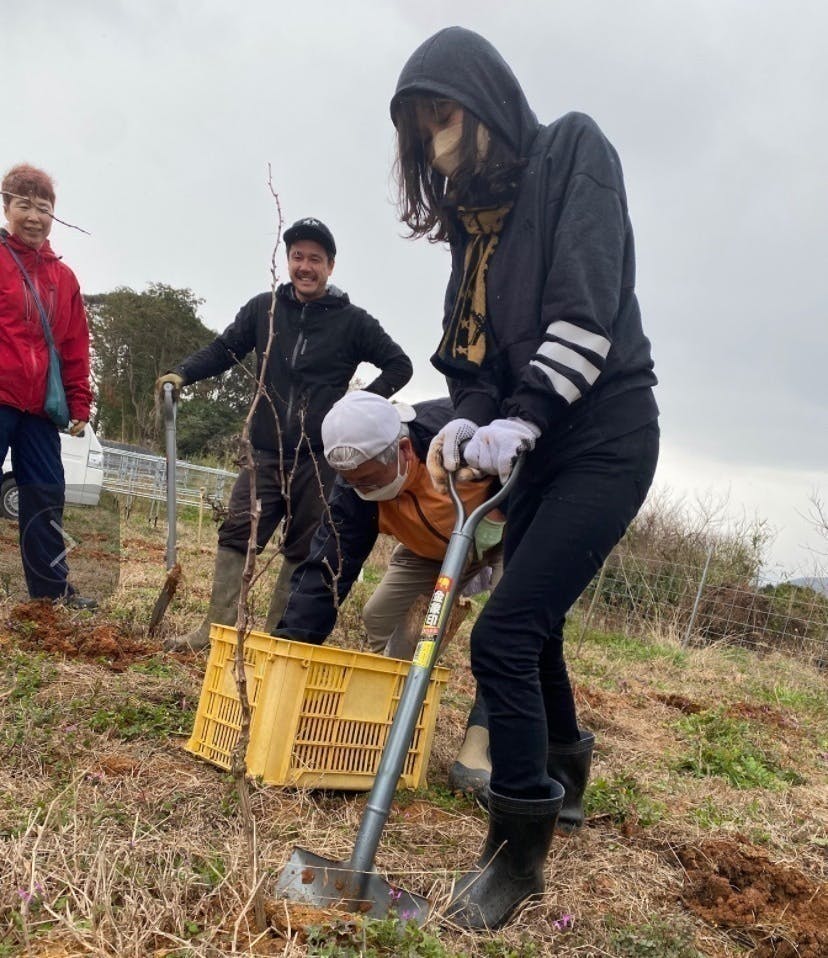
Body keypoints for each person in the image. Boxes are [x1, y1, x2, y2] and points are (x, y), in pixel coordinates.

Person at [390, 27, 660, 929]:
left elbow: (587, 305)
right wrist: (468, 414)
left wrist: (527, 411)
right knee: (530, 625)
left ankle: (516, 855)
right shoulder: (475, 231)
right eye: (421, 128)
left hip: (606, 432)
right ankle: (565, 770)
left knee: (501, 636)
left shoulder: (572, 151)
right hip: (536, 443)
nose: (436, 142)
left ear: (484, 98)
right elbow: (471, 361)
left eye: (443, 114)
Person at [157, 218, 412, 651]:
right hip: (265, 453)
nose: (305, 266)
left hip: (319, 459)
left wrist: (356, 407)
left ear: (330, 266)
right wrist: (182, 373)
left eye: (315, 258)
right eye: (297, 256)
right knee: (239, 531)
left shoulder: (353, 322)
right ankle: (213, 633)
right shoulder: (264, 310)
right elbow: (224, 350)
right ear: (287, 260)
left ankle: (273, 640)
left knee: (301, 547)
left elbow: (399, 365)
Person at [272, 389, 505, 795]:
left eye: (369, 479)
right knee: (378, 616)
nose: (360, 488)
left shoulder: (460, 438)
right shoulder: (353, 489)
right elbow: (328, 568)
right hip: (428, 550)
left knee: (502, 638)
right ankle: (390, 710)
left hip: (506, 539)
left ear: (402, 449)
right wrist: (287, 652)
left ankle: (478, 748)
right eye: (352, 481)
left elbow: (528, 465)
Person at [0, 164, 96, 609]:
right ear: (7, 208)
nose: (34, 216)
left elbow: (75, 346)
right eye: (24, 205)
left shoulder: (64, 279)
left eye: (43, 207)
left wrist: (79, 401)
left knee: (45, 496)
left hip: (39, 410)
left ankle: (51, 593)